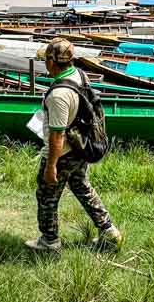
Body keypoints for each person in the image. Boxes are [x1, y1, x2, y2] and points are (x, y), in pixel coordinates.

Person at [26, 37, 121, 254]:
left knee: (46, 195)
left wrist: (51, 167)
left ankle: (49, 241)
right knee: (82, 188)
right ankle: (109, 232)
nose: (45, 64)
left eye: (46, 60)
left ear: (52, 61)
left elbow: (57, 136)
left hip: (64, 153)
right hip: (80, 147)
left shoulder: (59, 95)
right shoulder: (78, 74)